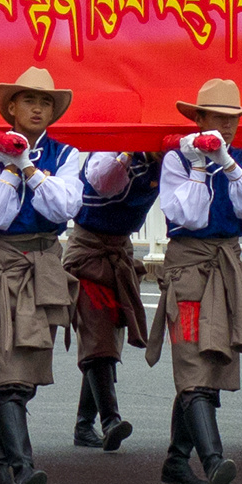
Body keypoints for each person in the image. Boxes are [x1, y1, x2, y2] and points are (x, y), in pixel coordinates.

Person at [0, 66, 83, 484]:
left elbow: (64, 207)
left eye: (45, 102)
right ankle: (22, 465)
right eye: (29, 101)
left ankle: (0, 469)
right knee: (6, 366)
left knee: (27, 366)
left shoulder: (66, 154)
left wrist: (28, 166)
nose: (37, 109)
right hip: (0, 260)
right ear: (11, 108)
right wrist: (10, 169)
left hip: (44, 262)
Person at [146, 79, 242, 484]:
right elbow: (189, 216)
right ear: (198, 119)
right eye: (218, 117)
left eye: (233, 119)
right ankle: (214, 461)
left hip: (225, 264)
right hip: (190, 267)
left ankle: (177, 459)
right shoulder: (177, 159)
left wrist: (226, 162)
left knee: (211, 362)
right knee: (193, 360)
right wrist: (200, 164)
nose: (227, 126)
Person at [68, 149, 155, 454]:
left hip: (120, 252)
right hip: (88, 250)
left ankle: (83, 424)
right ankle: (110, 420)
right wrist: (129, 151)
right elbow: (103, 182)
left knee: (107, 338)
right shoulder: (107, 153)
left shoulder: (169, 162)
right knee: (97, 334)